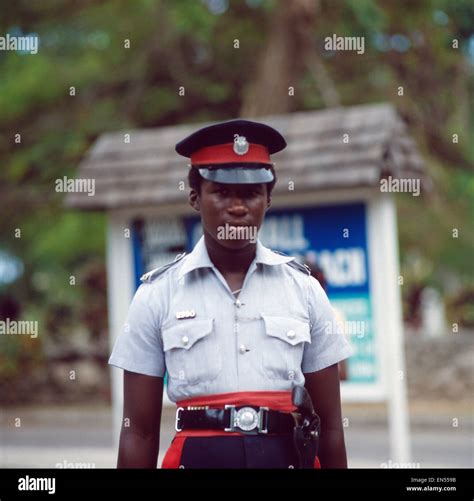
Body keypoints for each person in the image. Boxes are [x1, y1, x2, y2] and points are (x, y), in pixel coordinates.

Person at [108, 119, 353, 469]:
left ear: (268, 198)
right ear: (195, 197)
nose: (237, 207)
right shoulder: (157, 295)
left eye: (251, 193)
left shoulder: (305, 290)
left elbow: (330, 426)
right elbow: (139, 432)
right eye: (221, 192)